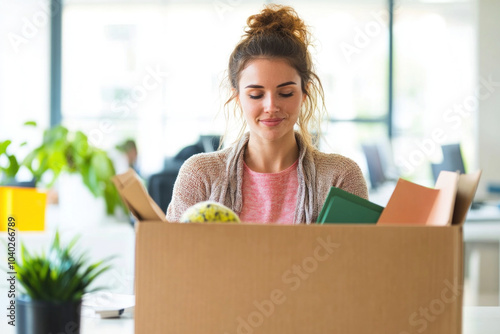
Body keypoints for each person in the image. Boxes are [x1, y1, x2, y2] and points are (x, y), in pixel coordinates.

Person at [166, 4, 368, 224]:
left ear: (304, 93)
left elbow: (355, 257)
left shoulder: (340, 177)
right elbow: (174, 255)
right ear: (237, 97)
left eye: (286, 93)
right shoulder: (200, 175)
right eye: (255, 95)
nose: (271, 106)